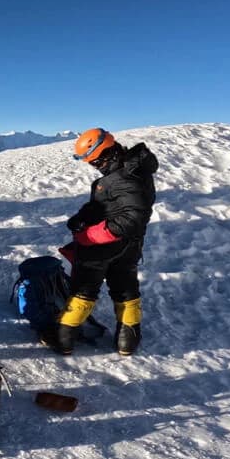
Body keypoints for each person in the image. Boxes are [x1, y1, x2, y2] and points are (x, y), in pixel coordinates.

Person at [45, 128, 158, 356]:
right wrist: (83, 216)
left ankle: (63, 337)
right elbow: (108, 205)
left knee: (84, 288)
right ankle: (128, 340)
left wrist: (89, 235)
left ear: (108, 152)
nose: (95, 166)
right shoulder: (132, 171)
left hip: (103, 246)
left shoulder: (125, 178)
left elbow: (130, 219)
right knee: (125, 288)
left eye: (96, 161)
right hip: (129, 247)